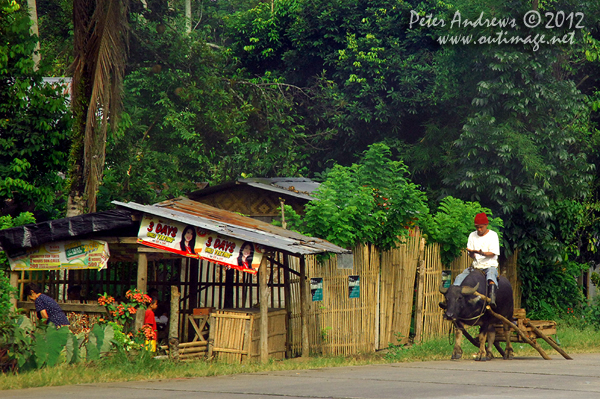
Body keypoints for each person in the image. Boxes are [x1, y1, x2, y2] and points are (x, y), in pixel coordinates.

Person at [452, 212, 501, 307]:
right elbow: (471, 256)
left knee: (491, 277)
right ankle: (452, 299)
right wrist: (471, 252)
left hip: (489, 265)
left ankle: (492, 299)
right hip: (476, 266)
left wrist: (481, 253)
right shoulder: (472, 235)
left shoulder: (493, 235)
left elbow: (493, 253)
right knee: (459, 278)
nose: (479, 229)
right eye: (477, 227)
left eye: (481, 227)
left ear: (486, 225)